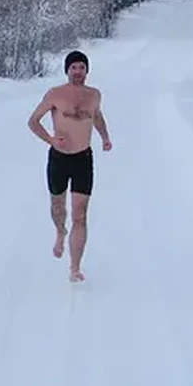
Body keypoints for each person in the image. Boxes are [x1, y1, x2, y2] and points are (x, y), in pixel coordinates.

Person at [27, 49, 112, 282]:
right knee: (58, 208)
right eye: (73, 67)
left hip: (83, 158)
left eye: (81, 67)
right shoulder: (55, 94)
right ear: (67, 70)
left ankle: (75, 267)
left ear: (87, 70)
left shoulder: (94, 95)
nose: (78, 72)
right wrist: (51, 140)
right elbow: (33, 122)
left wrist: (105, 137)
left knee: (80, 215)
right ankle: (59, 231)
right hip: (59, 157)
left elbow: (97, 117)